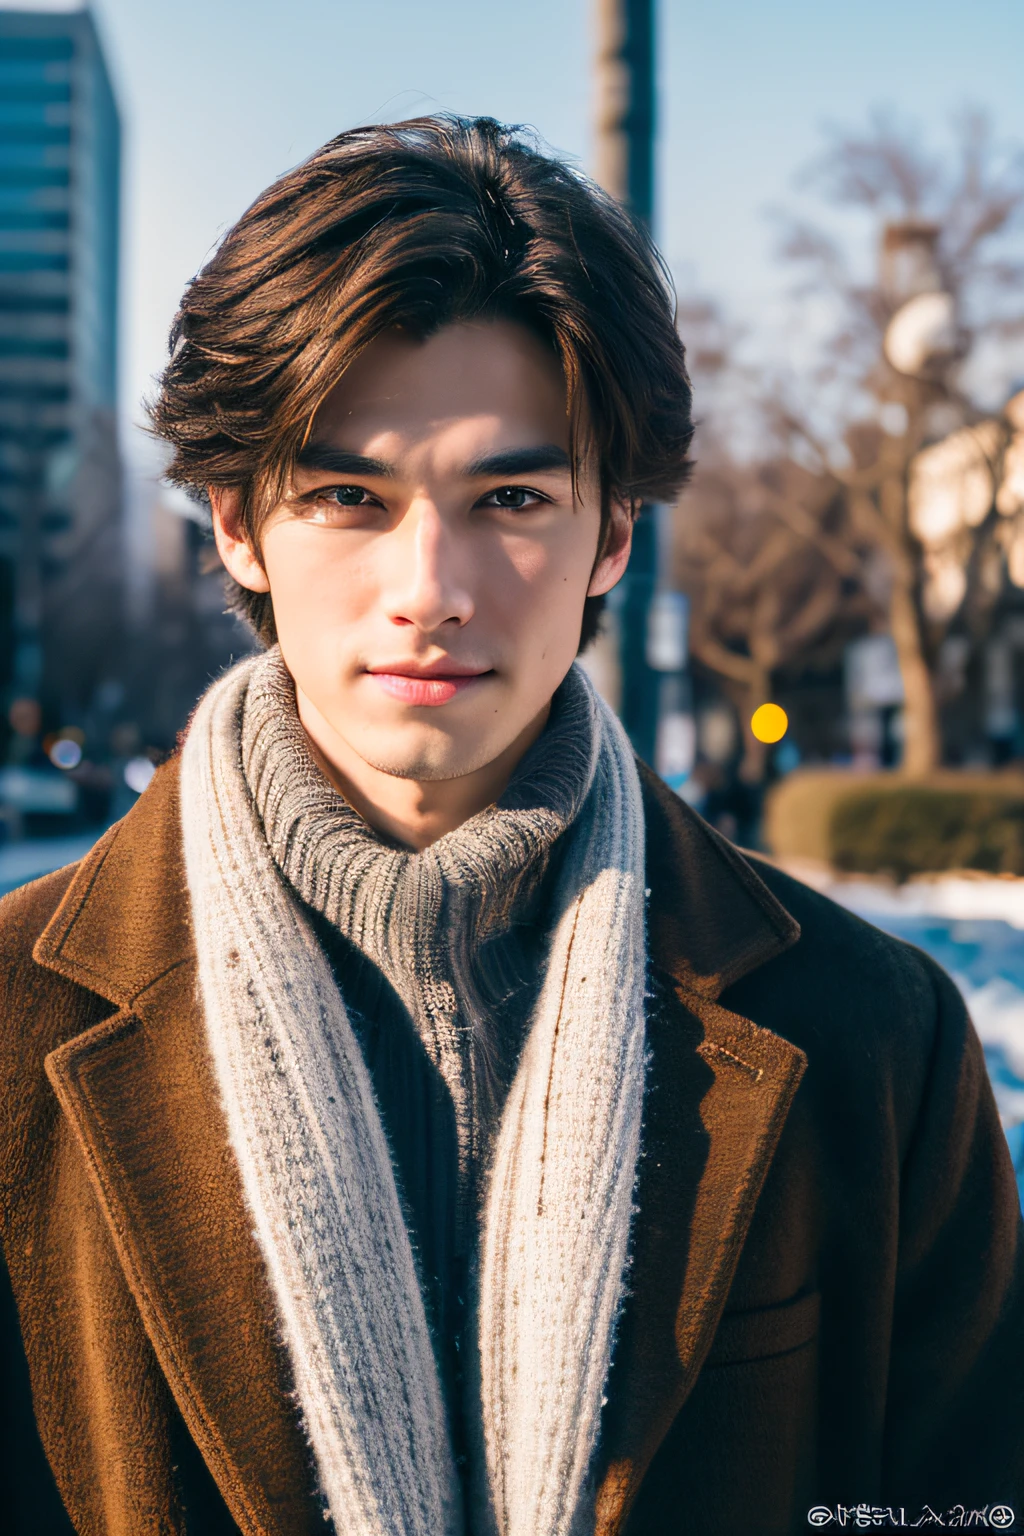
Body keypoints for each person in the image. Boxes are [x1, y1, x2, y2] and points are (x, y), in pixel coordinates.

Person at [0, 116, 1021, 1536]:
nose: (431, 585)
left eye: (514, 499)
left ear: (612, 535)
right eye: (350, 496)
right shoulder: (11, 1024)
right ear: (235, 522)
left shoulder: (873, 1039)